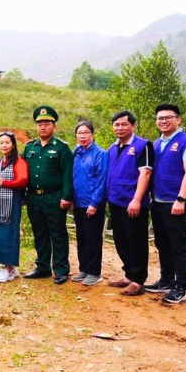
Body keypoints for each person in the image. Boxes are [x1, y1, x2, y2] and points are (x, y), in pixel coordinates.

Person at [146, 104, 186, 304]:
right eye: (160, 118)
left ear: (179, 120)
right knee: (162, 242)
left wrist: (181, 199)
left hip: (177, 203)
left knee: (179, 246)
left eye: (168, 117)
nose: (163, 121)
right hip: (158, 201)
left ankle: (180, 287)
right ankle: (166, 279)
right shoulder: (156, 144)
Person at [23, 106, 74, 284]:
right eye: (39, 124)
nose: (43, 127)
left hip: (54, 197)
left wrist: (66, 197)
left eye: (47, 123)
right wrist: (23, 195)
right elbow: (23, 174)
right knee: (39, 233)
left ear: (54, 126)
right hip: (34, 198)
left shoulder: (62, 148)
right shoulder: (30, 147)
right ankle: (43, 267)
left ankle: (61, 270)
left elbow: (68, 174)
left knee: (58, 234)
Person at [106, 110, 154, 296]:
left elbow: (146, 173)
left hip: (133, 204)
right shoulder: (112, 148)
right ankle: (128, 275)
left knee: (136, 241)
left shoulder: (143, 146)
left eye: (124, 124)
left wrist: (136, 199)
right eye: (116, 124)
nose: (120, 128)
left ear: (132, 125)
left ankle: (138, 280)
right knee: (121, 240)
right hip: (116, 202)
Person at [0, 132, 28, 282]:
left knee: (9, 234)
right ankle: (9, 267)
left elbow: (23, 180)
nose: (4, 145)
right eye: (1, 143)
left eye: (7, 142)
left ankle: (8, 268)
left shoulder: (19, 162)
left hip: (12, 203)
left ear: (13, 145)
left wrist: (3, 182)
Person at [72, 121, 108, 287]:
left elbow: (102, 180)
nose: (83, 136)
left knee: (93, 237)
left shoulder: (100, 154)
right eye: (80, 133)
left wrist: (95, 202)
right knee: (82, 237)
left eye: (86, 132)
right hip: (78, 202)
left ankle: (94, 271)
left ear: (92, 134)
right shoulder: (77, 152)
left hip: (93, 203)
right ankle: (84, 268)